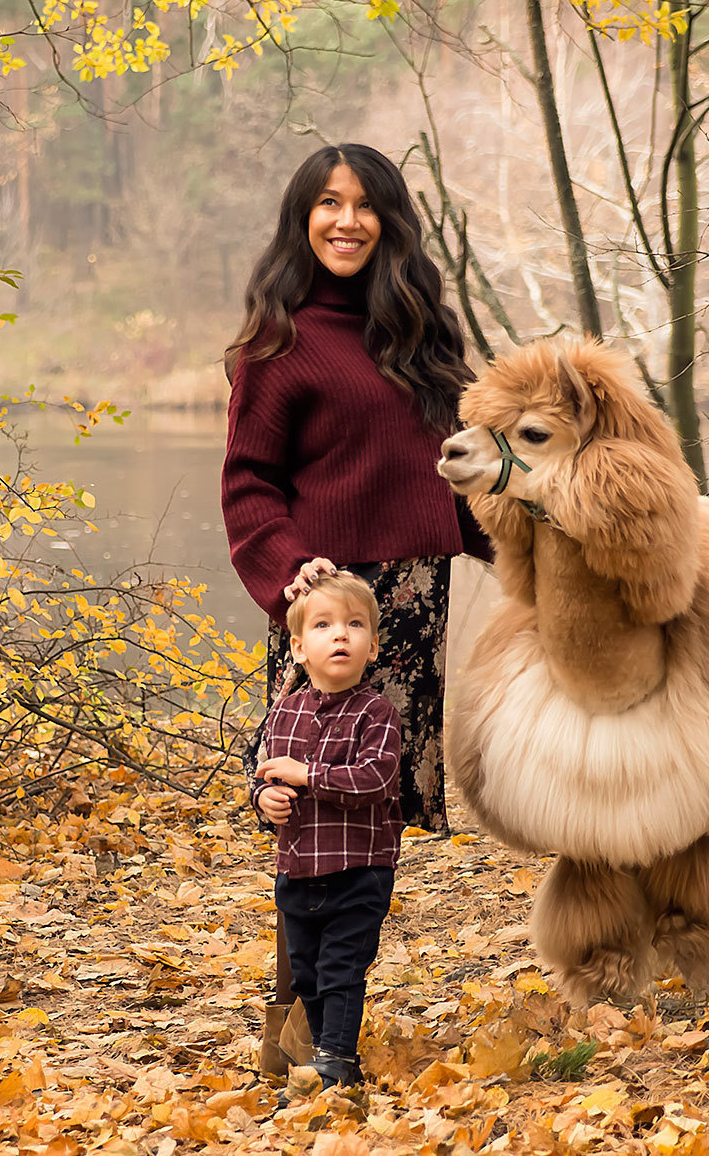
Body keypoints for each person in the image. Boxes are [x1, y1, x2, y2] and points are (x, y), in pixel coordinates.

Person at [221, 142, 492, 1073]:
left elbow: (459, 474)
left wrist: (545, 542)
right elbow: (250, 483)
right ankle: (292, 1026)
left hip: (413, 601)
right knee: (309, 821)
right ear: (303, 219)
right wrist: (290, 569)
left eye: (365, 204)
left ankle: (336, 1027)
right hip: (324, 604)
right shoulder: (278, 341)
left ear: (390, 220)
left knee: (369, 826)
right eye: (327, 203)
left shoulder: (419, 333)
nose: (347, 220)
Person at [249, 571, 400, 1091]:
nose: (340, 635)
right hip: (297, 867)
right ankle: (316, 1046)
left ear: (373, 646)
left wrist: (308, 775)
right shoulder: (283, 712)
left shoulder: (376, 713)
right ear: (298, 647)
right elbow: (263, 774)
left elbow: (376, 778)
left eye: (355, 625)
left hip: (359, 870)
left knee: (341, 967)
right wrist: (263, 798)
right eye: (324, 625)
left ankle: (338, 1058)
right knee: (307, 970)